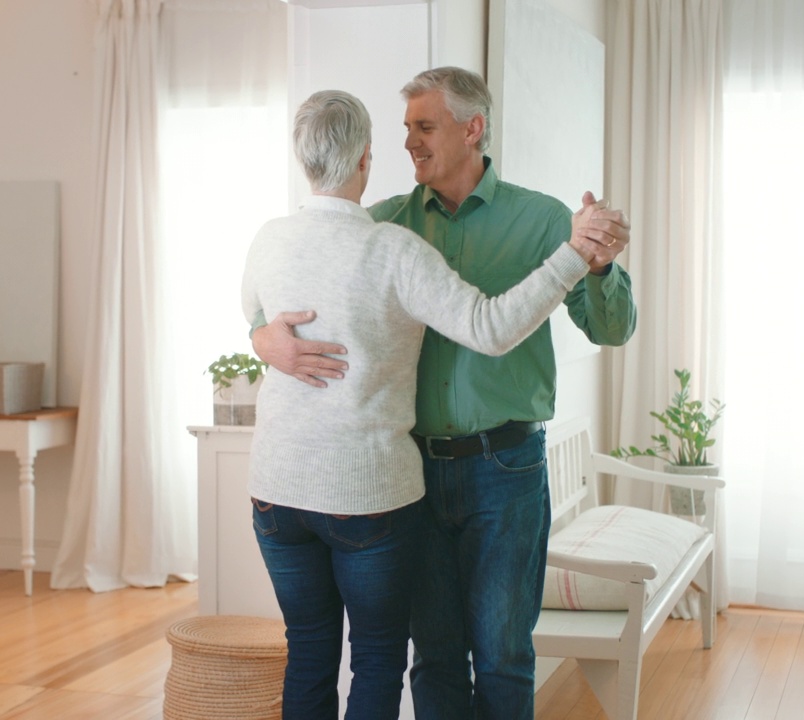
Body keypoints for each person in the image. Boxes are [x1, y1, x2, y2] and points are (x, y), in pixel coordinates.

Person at [255, 69, 636, 719]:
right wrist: (266, 342)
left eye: (425, 127)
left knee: (503, 656)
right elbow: (288, 306)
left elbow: (611, 327)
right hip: (412, 478)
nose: (410, 144)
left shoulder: (543, 220)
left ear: (473, 128)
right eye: (404, 130)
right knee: (432, 655)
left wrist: (595, 264)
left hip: (505, 468)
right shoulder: (383, 227)